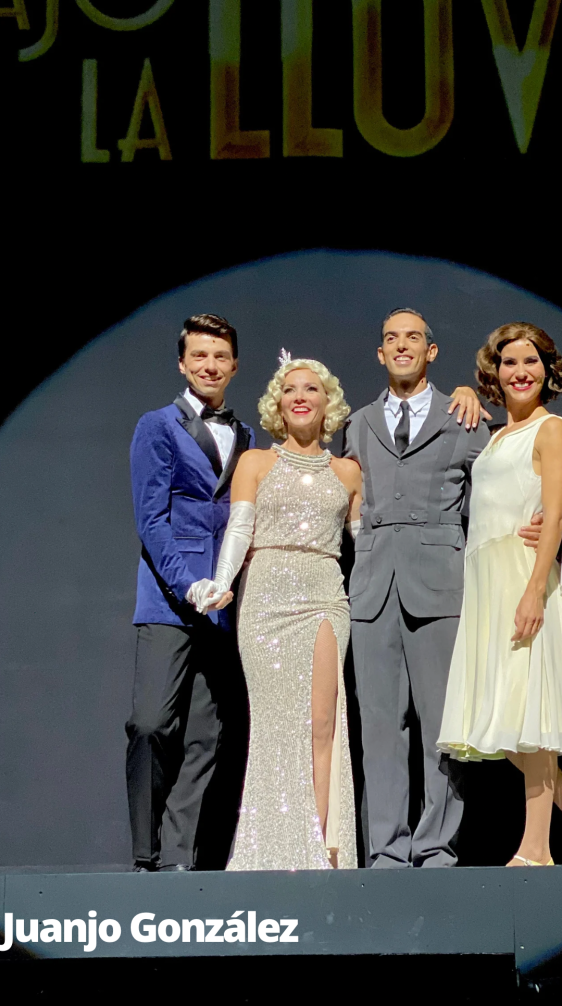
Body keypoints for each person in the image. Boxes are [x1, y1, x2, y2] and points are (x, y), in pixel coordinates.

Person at [342, 309, 543, 868]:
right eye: (391, 339)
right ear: (380, 355)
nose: (401, 346)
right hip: (373, 587)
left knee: (442, 726)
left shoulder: (465, 418)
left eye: (413, 338)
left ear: (430, 352)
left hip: (441, 586)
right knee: (380, 727)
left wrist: (541, 514)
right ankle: (385, 850)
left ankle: (435, 847)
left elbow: (507, 479)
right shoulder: (357, 424)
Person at [438, 322, 562, 867]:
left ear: (548, 371)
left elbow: (557, 514)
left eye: (531, 362)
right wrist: (464, 393)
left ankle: (536, 847)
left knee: (531, 714)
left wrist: (533, 590)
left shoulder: (552, 429)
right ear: (495, 371)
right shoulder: (496, 436)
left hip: (521, 576)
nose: (521, 372)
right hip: (487, 583)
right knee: (503, 716)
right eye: (509, 362)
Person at [189, 355, 363, 870]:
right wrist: (220, 584)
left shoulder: (348, 472)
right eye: (291, 389)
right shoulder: (255, 463)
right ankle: (273, 847)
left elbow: (370, 547)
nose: (301, 396)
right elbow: (240, 529)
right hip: (266, 599)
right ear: (278, 405)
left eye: (312, 388)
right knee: (273, 723)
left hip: (326, 595)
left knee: (323, 721)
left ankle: (324, 845)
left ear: (327, 403)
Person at [126, 314, 255, 872]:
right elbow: (151, 520)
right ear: (183, 363)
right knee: (152, 723)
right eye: (199, 356)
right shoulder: (157, 425)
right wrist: (190, 583)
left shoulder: (246, 435)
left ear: (233, 366)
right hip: (170, 600)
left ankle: (181, 856)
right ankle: (145, 853)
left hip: (226, 607)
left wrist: (226, 585)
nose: (210, 366)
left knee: (208, 736)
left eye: (220, 357)